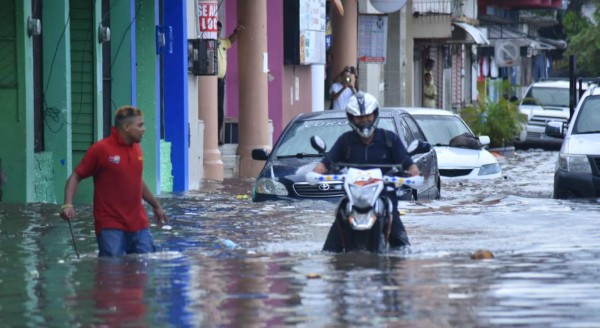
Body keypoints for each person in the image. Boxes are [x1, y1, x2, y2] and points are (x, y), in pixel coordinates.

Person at [313, 92, 421, 252]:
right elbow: (327, 162)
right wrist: (317, 173)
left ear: (375, 114)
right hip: (353, 198)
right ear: (351, 118)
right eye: (359, 117)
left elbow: (408, 163)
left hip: (384, 196)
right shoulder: (345, 141)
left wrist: (414, 174)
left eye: (368, 116)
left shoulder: (389, 139)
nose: (364, 120)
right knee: (329, 250)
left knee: (402, 246)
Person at [60, 105, 169, 257]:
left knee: (143, 270)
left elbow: (137, 180)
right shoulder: (101, 150)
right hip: (110, 225)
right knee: (112, 274)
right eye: (140, 125)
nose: (144, 129)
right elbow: (76, 176)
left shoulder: (137, 148)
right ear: (126, 127)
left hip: (139, 224)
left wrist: (156, 206)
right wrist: (68, 204)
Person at [217, 21, 245, 145]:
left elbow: (230, 41)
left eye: (219, 29)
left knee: (219, 110)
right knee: (212, 109)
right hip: (211, 81)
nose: (217, 31)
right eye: (215, 29)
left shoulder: (222, 42)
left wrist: (237, 33)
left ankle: (217, 136)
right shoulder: (210, 42)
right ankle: (213, 138)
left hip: (220, 81)